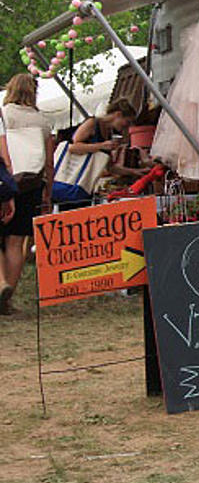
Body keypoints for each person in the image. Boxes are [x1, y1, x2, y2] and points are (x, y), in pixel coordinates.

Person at [0, 74, 52, 315]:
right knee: (17, 241)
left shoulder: (5, 114)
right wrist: (47, 192)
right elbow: (49, 162)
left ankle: (1, 285)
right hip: (31, 184)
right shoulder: (41, 120)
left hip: (6, 182)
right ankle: (7, 296)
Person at [51, 98, 147, 209]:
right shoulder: (92, 123)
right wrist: (100, 146)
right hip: (71, 183)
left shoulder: (108, 134)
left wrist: (135, 172)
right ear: (118, 114)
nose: (127, 126)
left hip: (85, 188)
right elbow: (73, 147)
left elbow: (110, 167)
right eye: (127, 122)